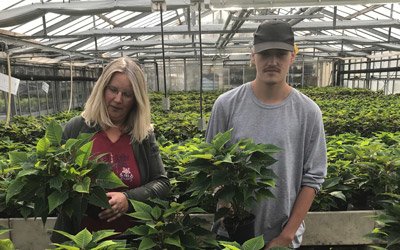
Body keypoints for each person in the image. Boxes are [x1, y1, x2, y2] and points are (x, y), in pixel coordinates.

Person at [206, 20, 327, 249]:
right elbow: (213, 165)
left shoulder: (308, 112)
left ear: (292, 57)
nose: (272, 62)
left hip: (282, 237)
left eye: (280, 54)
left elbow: (313, 177)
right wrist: (230, 216)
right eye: (265, 54)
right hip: (231, 234)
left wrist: (287, 236)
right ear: (253, 56)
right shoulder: (226, 105)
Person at [51, 57, 170, 243]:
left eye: (127, 94)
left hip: (133, 241)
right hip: (82, 241)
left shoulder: (142, 135)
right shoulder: (77, 129)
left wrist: (127, 199)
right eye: (113, 90)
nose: (118, 99)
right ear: (102, 89)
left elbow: (162, 183)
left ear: (136, 100)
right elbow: (57, 181)